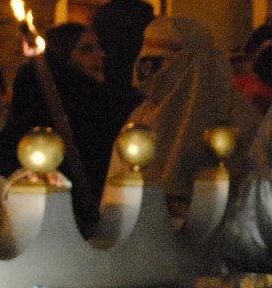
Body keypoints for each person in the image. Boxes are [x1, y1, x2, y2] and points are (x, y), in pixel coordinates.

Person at [106, 16, 260, 215]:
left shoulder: (239, 119)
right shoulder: (141, 116)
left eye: (157, 63)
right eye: (144, 61)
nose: (147, 71)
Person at [6, 22, 122, 234]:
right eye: (87, 49)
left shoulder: (105, 102)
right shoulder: (42, 97)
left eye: (99, 47)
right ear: (64, 56)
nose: (100, 55)